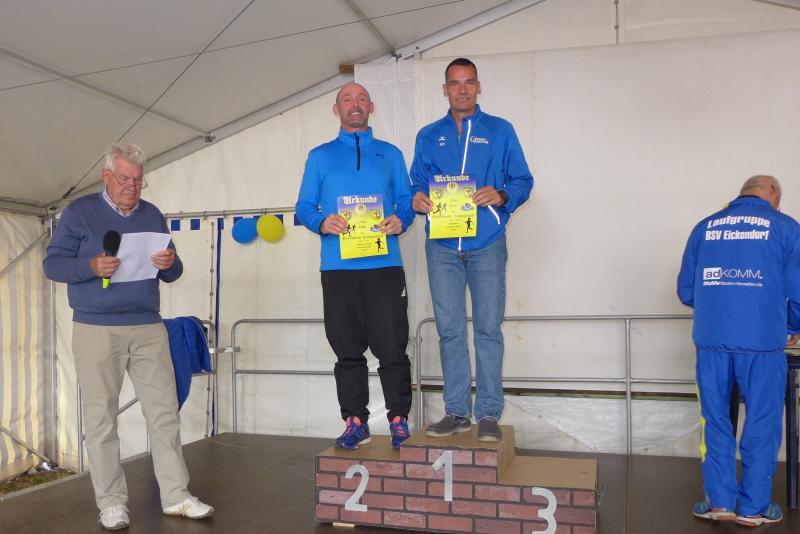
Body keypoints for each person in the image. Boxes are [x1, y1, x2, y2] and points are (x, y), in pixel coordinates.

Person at [43, 143, 213, 530]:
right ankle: (112, 503)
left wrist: (170, 263)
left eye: (138, 180)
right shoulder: (79, 212)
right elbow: (52, 264)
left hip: (148, 325)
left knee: (164, 412)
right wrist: (90, 266)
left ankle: (176, 495)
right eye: (124, 178)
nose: (132, 186)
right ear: (106, 176)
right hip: (95, 328)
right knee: (101, 419)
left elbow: (172, 272)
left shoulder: (152, 214)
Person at [410, 58, 533, 441]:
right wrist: (416, 199)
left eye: (468, 82)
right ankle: (457, 412)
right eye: (454, 83)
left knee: (487, 330)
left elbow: (523, 180)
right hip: (442, 246)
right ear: (444, 89)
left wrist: (503, 195)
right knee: (449, 331)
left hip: (487, 243)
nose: (462, 89)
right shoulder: (428, 135)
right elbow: (416, 183)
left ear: (478, 87)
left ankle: (489, 414)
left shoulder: (500, 130)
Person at [295, 83, 414, 450]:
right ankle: (355, 422)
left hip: (384, 266)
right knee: (346, 349)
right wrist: (321, 222)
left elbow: (407, 201)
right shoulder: (319, 157)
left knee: (392, 347)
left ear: (371, 106)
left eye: (361, 99)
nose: (355, 105)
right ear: (337, 109)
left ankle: (398, 420)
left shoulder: (391, 154)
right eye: (347, 100)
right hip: (338, 269)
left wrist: (402, 219)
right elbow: (304, 207)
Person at [677, 175, 800, 527]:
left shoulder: (705, 227)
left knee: (714, 419)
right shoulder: (785, 227)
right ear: (772, 195)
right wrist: (793, 325)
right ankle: (753, 509)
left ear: (743, 192)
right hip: (762, 343)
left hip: (712, 342)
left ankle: (719, 502)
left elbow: (686, 291)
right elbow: (798, 289)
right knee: (762, 420)